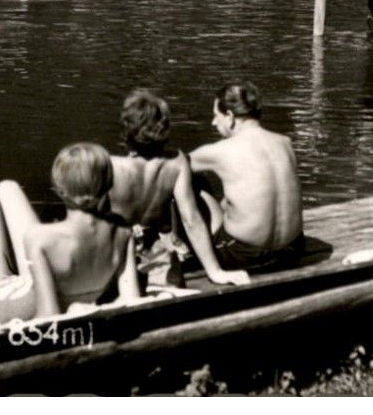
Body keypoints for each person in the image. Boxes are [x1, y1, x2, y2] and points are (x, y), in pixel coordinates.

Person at [0, 143, 139, 326]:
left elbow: (48, 316)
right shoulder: (122, 232)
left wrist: (76, 312)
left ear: (60, 190)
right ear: (108, 184)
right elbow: (132, 300)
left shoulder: (41, 238)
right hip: (43, 287)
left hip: (6, 307)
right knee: (8, 187)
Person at [107, 90, 249, 289]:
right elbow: (191, 219)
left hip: (119, 255)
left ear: (126, 130)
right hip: (154, 253)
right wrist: (215, 272)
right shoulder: (175, 161)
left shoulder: (112, 166)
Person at [188, 82, 303, 273]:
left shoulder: (220, 151)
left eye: (216, 116)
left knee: (188, 178)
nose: (213, 122)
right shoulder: (285, 143)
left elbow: (164, 169)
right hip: (291, 251)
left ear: (230, 117)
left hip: (242, 257)